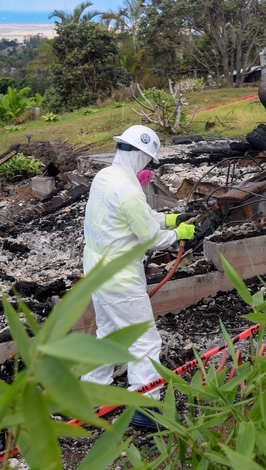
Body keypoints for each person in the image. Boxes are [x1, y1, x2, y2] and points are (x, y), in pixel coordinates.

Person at [81, 125, 195, 430]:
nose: (147, 166)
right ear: (142, 156)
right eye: (148, 160)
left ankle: (90, 393)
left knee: (109, 333)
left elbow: (136, 217)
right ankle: (145, 407)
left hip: (96, 269)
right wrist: (177, 234)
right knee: (144, 340)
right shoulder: (129, 191)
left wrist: (170, 218)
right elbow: (149, 238)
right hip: (119, 275)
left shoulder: (106, 177)